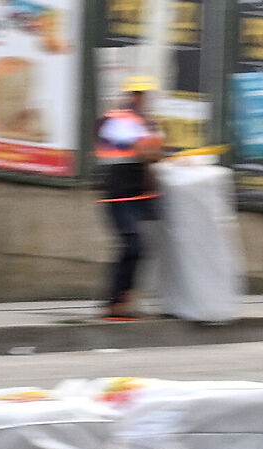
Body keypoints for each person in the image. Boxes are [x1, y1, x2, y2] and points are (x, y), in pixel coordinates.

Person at [93, 76, 167, 321]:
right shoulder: (117, 120)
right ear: (128, 95)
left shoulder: (145, 122)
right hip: (117, 196)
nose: (139, 98)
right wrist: (151, 144)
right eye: (135, 93)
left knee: (141, 247)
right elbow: (149, 151)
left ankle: (124, 301)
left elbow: (154, 154)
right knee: (132, 246)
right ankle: (115, 303)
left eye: (142, 94)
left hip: (138, 196)